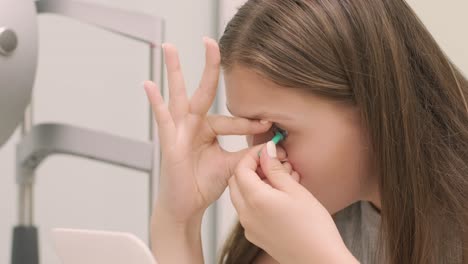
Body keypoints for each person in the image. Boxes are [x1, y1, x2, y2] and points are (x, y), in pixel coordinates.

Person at [143, 0, 468, 263]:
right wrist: (178, 220)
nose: (258, 158)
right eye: (249, 126)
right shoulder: (311, 217)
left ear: (373, 106)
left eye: (279, 129)